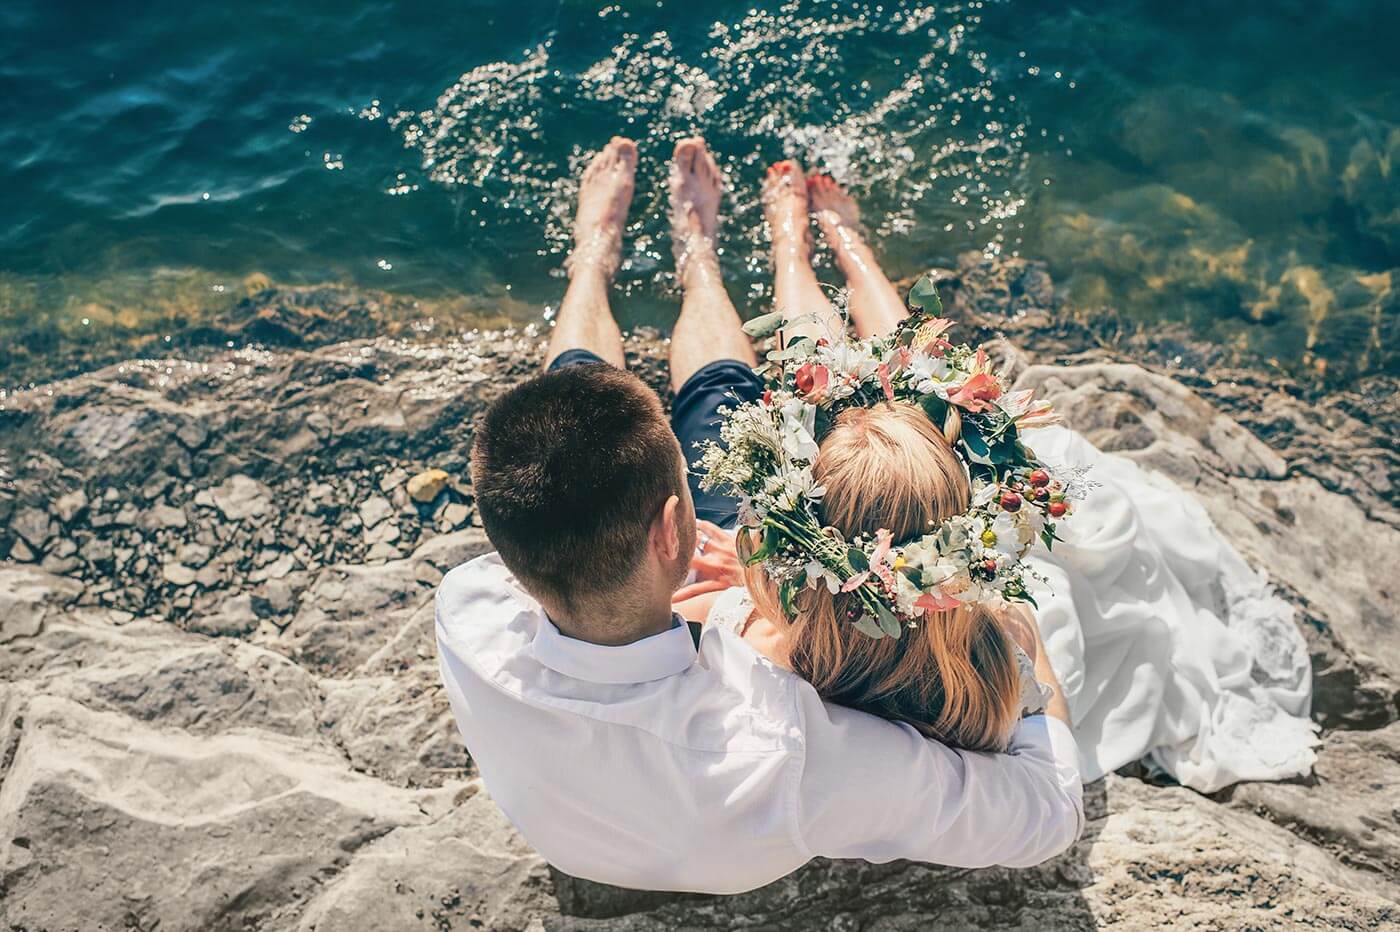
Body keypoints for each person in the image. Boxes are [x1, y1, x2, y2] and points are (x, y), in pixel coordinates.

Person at [434, 136, 1083, 895]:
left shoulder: (467, 610)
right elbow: (1049, 812)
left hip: (586, 843)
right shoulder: (794, 743)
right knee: (717, 389)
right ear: (673, 529)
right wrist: (1024, 647)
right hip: (739, 743)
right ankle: (700, 259)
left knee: (574, 404)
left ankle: (594, 260)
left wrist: (726, 593)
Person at [686, 160, 1317, 792]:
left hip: (844, 581)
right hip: (919, 595)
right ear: (963, 526)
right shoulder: (997, 658)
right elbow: (1050, 761)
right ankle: (845, 248)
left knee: (806, 373)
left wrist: (758, 580)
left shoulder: (770, 645)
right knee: (919, 372)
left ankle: (770, 252)